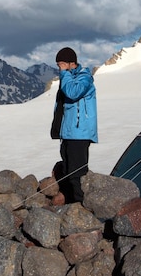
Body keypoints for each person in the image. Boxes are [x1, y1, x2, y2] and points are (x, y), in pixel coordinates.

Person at [50, 47, 98, 203]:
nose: (60, 68)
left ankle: (81, 207)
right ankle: (70, 204)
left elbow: (73, 93)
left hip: (80, 132)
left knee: (77, 173)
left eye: (62, 64)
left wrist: (64, 73)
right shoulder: (68, 77)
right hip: (68, 132)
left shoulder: (84, 78)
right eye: (58, 65)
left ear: (71, 63)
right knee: (67, 170)